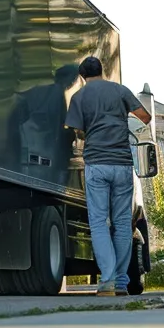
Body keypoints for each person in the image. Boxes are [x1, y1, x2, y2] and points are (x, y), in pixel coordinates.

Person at [64, 56, 151, 296]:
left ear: (82, 77)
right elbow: (144, 117)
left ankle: (108, 281)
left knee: (99, 222)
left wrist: (91, 130)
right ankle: (121, 283)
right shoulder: (120, 90)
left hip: (97, 165)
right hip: (123, 165)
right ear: (102, 71)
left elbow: (78, 131)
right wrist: (122, 124)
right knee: (123, 223)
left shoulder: (79, 97)